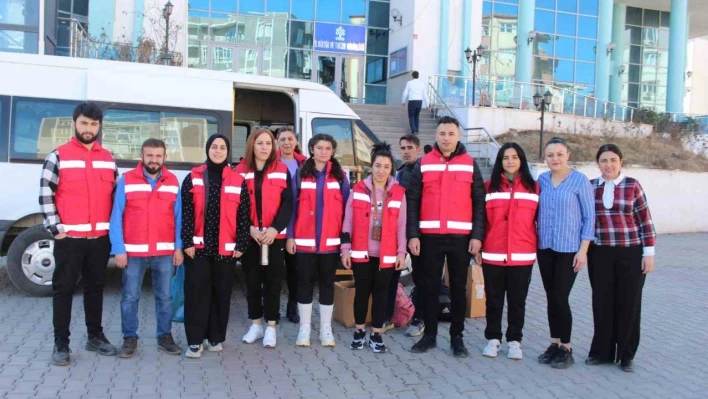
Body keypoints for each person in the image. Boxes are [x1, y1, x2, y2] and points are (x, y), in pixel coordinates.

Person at [40, 103, 119, 366]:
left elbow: (116, 198)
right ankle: (61, 344)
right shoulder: (58, 156)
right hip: (69, 240)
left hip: (99, 240)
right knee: (63, 291)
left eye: (94, 124)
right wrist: (56, 230)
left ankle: (94, 337)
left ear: (99, 126)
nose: (89, 129)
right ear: (75, 123)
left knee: (95, 289)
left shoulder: (108, 158)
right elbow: (45, 194)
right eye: (84, 123)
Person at [406, 116, 486, 357]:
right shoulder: (424, 163)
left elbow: (479, 202)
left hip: (461, 239)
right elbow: (412, 200)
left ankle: (457, 337)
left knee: (459, 289)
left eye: (451, 133)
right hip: (429, 238)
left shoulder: (470, 164)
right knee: (429, 288)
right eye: (442, 133)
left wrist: (477, 236)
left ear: (459, 136)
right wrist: (413, 235)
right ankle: (429, 335)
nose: (446, 138)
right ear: (436, 136)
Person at [109, 139, 183, 358]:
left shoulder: (172, 181)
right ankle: (129, 338)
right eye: (149, 155)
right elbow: (116, 216)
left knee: (165, 297)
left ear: (164, 157)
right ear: (141, 156)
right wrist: (118, 249)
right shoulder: (127, 180)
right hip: (133, 253)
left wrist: (179, 248)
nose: (154, 160)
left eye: (158, 156)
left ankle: (164, 336)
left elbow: (179, 218)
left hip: (164, 252)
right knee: (130, 297)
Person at [586, 144, 656, 372]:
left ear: (621, 162)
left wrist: (649, 254)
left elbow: (645, 220)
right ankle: (602, 352)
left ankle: (626, 355)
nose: (608, 164)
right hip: (600, 253)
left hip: (630, 252)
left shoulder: (632, 185)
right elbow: (585, 219)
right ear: (598, 164)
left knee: (629, 303)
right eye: (604, 160)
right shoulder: (591, 186)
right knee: (602, 302)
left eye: (613, 160)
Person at [180, 134, 251, 358]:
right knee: (196, 294)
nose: (218, 150)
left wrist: (241, 243)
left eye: (222, 147)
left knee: (221, 294)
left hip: (226, 250)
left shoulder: (238, 180)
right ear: (207, 149)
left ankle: (214, 337)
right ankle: (194, 340)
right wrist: (188, 241)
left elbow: (243, 216)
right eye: (214, 146)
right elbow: (187, 212)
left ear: (227, 151)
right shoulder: (193, 177)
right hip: (198, 250)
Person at [341, 143, 407, 353]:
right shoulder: (358, 189)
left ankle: (376, 334)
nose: (381, 170)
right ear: (371, 166)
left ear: (391, 169)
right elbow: (348, 221)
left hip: (387, 255)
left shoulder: (398, 192)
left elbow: (402, 225)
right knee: (362, 293)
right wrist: (345, 249)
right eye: (378, 165)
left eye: (386, 167)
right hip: (361, 253)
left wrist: (401, 252)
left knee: (381, 295)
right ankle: (359, 332)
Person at [536, 137, 595, 369]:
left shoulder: (580, 181)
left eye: (560, 154)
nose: (555, 159)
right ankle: (555, 343)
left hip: (569, 249)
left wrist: (583, 251)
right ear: (545, 158)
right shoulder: (542, 180)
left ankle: (567, 347)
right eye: (550, 155)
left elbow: (590, 218)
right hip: (546, 248)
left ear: (568, 155)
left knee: (561, 296)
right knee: (551, 298)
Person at [287, 134, 350, 347]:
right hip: (304, 242)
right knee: (303, 285)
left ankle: (326, 329)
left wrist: (345, 244)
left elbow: (346, 214)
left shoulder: (340, 176)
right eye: (319, 147)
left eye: (328, 148)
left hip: (330, 245)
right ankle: (304, 329)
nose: (323, 151)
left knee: (326, 285)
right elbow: (292, 209)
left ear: (332, 151)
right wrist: (290, 236)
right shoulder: (299, 174)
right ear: (311, 149)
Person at [480, 143, 539, 360]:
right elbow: (482, 220)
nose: (510, 161)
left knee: (517, 301)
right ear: (500, 161)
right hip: (493, 254)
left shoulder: (534, 188)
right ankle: (493, 339)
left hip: (522, 256)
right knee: (493, 300)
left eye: (514, 157)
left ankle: (515, 340)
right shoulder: (489, 187)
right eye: (506, 158)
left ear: (521, 160)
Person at [237, 129, 293, 348]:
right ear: (252, 145)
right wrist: (249, 228)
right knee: (251, 282)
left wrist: (274, 229)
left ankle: (271, 327)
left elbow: (288, 203)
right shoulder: (241, 170)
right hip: (251, 237)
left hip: (273, 238)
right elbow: (236, 205)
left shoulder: (282, 169)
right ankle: (255, 324)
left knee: (273, 282)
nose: (264, 147)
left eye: (268, 143)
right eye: (259, 143)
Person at [389, 134, 425, 337]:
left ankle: (420, 319)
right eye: (402, 147)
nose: (406, 151)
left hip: (420, 233)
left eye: (410, 147)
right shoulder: (400, 173)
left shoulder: (422, 171)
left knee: (421, 278)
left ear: (418, 150)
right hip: (401, 232)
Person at [276, 126, 307, 323]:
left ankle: (292, 306)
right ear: (277, 142)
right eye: (283, 139)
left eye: (290, 139)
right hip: (277, 223)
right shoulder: (272, 162)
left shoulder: (305, 164)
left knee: (295, 270)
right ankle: (272, 307)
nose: (287, 142)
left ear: (296, 141)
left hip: (298, 223)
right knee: (274, 270)